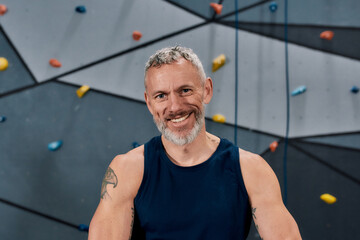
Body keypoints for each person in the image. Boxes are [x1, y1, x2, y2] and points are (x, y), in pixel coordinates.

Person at [89, 46, 302, 240]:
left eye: (185, 91)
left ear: (206, 90)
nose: (174, 107)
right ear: (149, 102)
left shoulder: (251, 170)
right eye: (161, 95)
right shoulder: (127, 170)